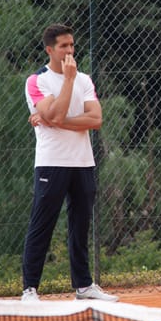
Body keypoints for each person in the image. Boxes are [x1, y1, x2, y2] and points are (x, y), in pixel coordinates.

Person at [20, 23, 117, 303]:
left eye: (72, 45)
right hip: (51, 163)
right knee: (42, 224)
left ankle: (84, 287)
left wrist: (57, 120)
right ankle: (30, 289)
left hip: (83, 163)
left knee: (80, 225)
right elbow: (57, 110)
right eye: (64, 46)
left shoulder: (86, 79)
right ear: (50, 49)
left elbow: (95, 120)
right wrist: (68, 83)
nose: (70, 51)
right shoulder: (37, 81)